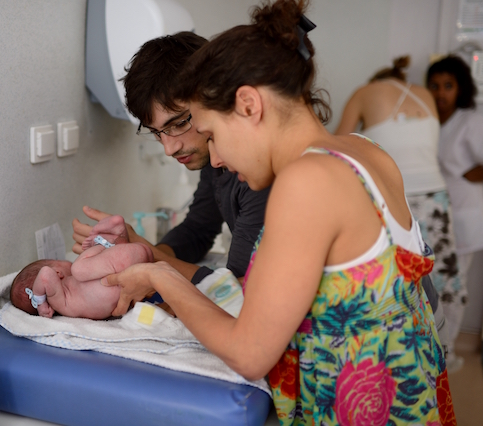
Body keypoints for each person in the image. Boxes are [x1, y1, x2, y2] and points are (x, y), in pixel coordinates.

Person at [101, 1, 456, 424]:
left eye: (211, 134)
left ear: (249, 105)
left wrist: (157, 274)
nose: (213, 159)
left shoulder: (305, 182)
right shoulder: (363, 151)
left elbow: (249, 353)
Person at [72, 31, 270, 286]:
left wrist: (145, 253)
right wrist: (132, 253)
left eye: (178, 124)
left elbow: (237, 290)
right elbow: (198, 230)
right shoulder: (214, 160)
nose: (169, 148)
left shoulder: (258, 173)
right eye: (157, 133)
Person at [335, 55, 456, 367]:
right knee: (443, 278)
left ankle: (403, 358)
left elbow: (335, 147)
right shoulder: (425, 95)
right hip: (437, 198)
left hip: (395, 198)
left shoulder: (365, 93)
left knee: (400, 282)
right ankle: (444, 352)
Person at [427, 54, 483, 371]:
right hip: (438, 219)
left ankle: (448, 355)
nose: (440, 93)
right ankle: (437, 347)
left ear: (460, 89)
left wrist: (465, 177)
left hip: (464, 216)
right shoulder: (431, 118)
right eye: (435, 85)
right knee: (438, 285)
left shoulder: (471, 119)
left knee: (455, 288)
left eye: (448, 86)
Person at [11, 216, 153, 319]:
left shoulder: (68, 301)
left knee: (80, 271)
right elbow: (45, 274)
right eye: (59, 261)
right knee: (78, 269)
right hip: (132, 277)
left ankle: (112, 242)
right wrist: (40, 302)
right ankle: (106, 243)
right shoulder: (58, 297)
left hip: (127, 274)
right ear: (58, 273)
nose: (68, 261)